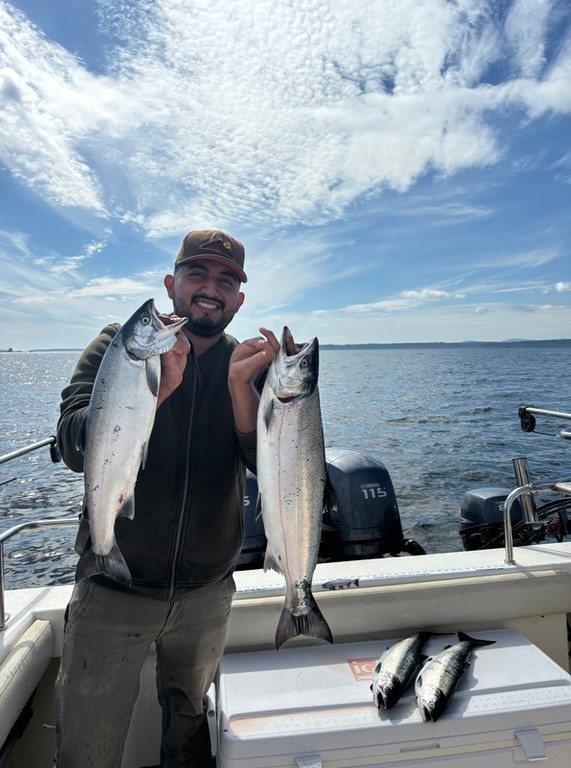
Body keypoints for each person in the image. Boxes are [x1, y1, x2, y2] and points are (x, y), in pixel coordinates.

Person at [55, 229, 280, 768]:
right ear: (170, 283)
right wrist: (148, 393)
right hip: (112, 588)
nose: (210, 288)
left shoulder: (247, 364)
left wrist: (241, 392)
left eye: (225, 281)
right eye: (197, 274)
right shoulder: (119, 346)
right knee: (87, 747)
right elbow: (70, 441)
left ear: (239, 300)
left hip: (207, 595)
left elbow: (268, 468)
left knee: (189, 737)